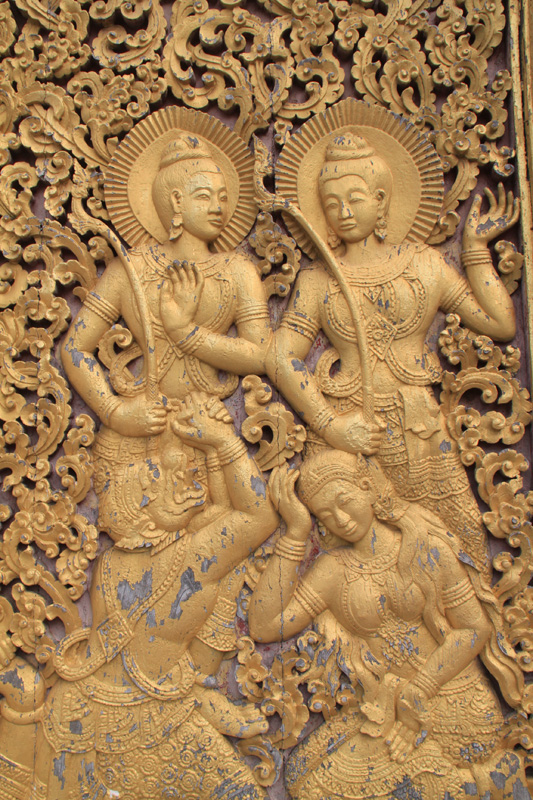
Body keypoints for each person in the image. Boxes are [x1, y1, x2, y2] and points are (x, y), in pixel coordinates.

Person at [61, 132, 273, 673]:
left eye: (223, 196)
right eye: (204, 196)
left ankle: (192, 674)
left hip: (206, 429)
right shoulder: (131, 271)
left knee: (220, 556)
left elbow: (260, 354)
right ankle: (127, 663)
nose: (219, 206)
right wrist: (115, 411)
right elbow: (75, 348)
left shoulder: (237, 272)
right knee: (136, 557)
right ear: (174, 202)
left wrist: (186, 333)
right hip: (140, 431)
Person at [265, 131, 520, 573]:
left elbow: (500, 325)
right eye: (331, 204)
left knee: (459, 548)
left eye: (355, 199)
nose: (344, 213)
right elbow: (281, 357)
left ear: (381, 201)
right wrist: (332, 426)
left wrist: (475, 251)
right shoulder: (319, 280)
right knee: (367, 559)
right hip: (353, 430)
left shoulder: (423, 263)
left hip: (421, 429)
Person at [34, 394, 278, 799]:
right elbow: (258, 515)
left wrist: (205, 448)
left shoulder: (112, 563)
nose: (177, 478)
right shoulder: (191, 559)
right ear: (147, 523)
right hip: (145, 722)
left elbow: (217, 514)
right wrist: (223, 441)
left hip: (85, 707)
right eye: (160, 482)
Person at [248, 452, 527, 800]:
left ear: (367, 488)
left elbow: (474, 629)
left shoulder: (425, 547)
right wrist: (296, 531)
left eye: (344, 502)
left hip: (453, 701)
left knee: (316, 789)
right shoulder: (334, 570)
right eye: (325, 515)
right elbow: (265, 626)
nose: (341, 520)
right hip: (389, 705)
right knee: (299, 771)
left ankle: (481, 785)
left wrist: (420, 687)